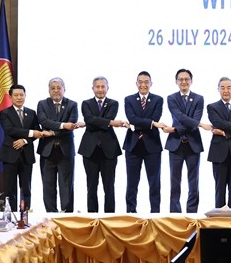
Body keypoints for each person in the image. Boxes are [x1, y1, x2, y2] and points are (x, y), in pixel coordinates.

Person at [78, 76, 129, 213]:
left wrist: (100, 122)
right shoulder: (86, 103)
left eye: (103, 87)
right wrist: (110, 123)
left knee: (109, 187)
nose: (100, 89)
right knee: (91, 186)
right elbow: (89, 119)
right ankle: (92, 216)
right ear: (93, 88)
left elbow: (95, 121)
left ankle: (110, 216)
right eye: (97, 87)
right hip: (90, 150)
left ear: (107, 88)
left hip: (109, 150)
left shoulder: (113, 103)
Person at [36, 77, 84, 213]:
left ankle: (66, 215)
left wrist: (51, 132)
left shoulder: (72, 104)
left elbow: (72, 123)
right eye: (53, 88)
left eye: (59, 88)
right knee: (48, 185)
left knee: (67, 185)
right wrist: (63, 125)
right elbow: (44, 121)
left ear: (64, 89)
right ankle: (51, 215)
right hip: (47, 151)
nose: (56, 91)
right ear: (49, 90)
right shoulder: (42, 104)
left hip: (65, 151)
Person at [123, 71, 166, 213]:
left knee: (154, 183)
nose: (143, 85)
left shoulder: (158, 99)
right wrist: (151, 123)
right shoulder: (129, 99)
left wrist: (137, 124)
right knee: (132, 183)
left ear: (151, 84)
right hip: (133, 146)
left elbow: (156, 117)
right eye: (140, 82)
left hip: (152, 146)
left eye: (146, 82)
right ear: (136, 84)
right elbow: (132, 118)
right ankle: (130, 213)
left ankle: (155, 214)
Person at [164, 69, 205, 213]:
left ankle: (192, 213)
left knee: (193, 182)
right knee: (175, 182)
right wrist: (195, 123)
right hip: (175, 145)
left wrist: (175, 129)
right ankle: (175, 214)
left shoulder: (199, 98)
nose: (184, 82)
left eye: (187, 79)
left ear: (191, 81)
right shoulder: (171, 98)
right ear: (176, 82)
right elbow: (180, 117)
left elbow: (195, 122)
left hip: (193, 144)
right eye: (180, 79)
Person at [0, 84, 46, 211]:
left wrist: (25, 140)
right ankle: (12, 214)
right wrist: (30, 133)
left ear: (25, 96)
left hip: (26, 155)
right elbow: (10, 130)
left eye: (21, 95)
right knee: (10, 189)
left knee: (26, 188)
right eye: (16, 95)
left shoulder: (31, 113)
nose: (19, 97)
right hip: (10, 155)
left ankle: (25, 215)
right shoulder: (5, 113)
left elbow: (38, 131)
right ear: (10, 97)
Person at [205, 77, 231, 208]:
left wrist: (224, 132)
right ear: (218, 90)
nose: (226, 90)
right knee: (220, 186)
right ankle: (219, 217)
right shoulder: (212, 107)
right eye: (222, 87)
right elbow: (218, 123)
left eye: (229, 87)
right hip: (218, 152)